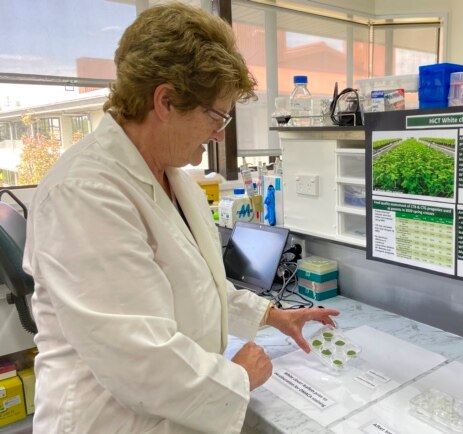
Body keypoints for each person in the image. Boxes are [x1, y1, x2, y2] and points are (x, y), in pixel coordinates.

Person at [23, 3, 339, 433]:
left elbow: (199, 286)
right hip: (108, 420)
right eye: (216, 116)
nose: (220, 133)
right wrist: (240, 377)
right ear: (165, 100)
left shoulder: (176, 176)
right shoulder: (84, 192)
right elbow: (139, 359)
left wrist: (272, 315)